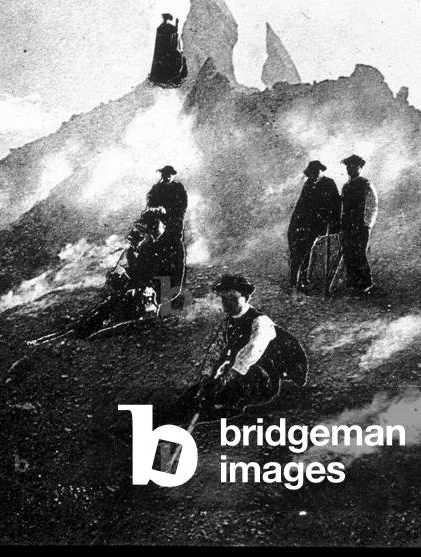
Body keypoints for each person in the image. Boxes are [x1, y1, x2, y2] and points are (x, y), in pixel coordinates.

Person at [170, 274, 308, 423]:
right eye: (224, 299)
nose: (227, 303)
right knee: (196, 394)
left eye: (232, 298)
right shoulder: (228, 323)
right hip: (240, 372)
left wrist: (226, 379)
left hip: (264, 377)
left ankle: (222, 410)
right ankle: (177, 415)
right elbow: (216, 352)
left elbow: (252, 351)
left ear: (245, 297)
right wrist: (207, 379)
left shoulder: (260, 321)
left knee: (228, 393)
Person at [287, 160, 341, 290]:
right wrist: (295, 221)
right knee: (299, 249)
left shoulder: (329, 183)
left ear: (321, 171)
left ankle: (300, 279)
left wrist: (333, 222)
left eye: (316, 172)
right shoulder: (308, 184)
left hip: (319, 223)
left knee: (305, 249)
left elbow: (336, 205)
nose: (314, 175)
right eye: (312, 173)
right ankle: (299, 279)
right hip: (303, 222)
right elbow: (301, 204)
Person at [339, 154, 379, 294]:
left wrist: (367, 224)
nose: (351, 169)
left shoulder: (366, 184)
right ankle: (353, 284)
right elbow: (343, 208)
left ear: (360, 168)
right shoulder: (346, 187)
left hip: (361, 225)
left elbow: (373, 205)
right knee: (348, 253)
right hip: (347, 225)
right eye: (349, 166)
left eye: (354, 166)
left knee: (359, 253)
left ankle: (366, 284)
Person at [146, 165, 188, 287]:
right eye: (165, 173)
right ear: (162, 175)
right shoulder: (156, 188)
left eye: (170, 173)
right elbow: (150, 203)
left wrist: (168, 211)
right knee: (160, 253)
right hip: (160, 226)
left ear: (173, 175)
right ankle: (162, 284)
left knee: (176, 253)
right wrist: (155, 210)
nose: (168, 176)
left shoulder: (178, 187)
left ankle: (177, 285)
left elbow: (182, 205)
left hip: (174, 224)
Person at [148, 13, 188, 87]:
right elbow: (173, 39)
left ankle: (162, 78)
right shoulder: (167, 28)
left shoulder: (160, 28)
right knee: (174, 58)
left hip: (161, 51)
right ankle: (169, 78)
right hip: (166, 50)